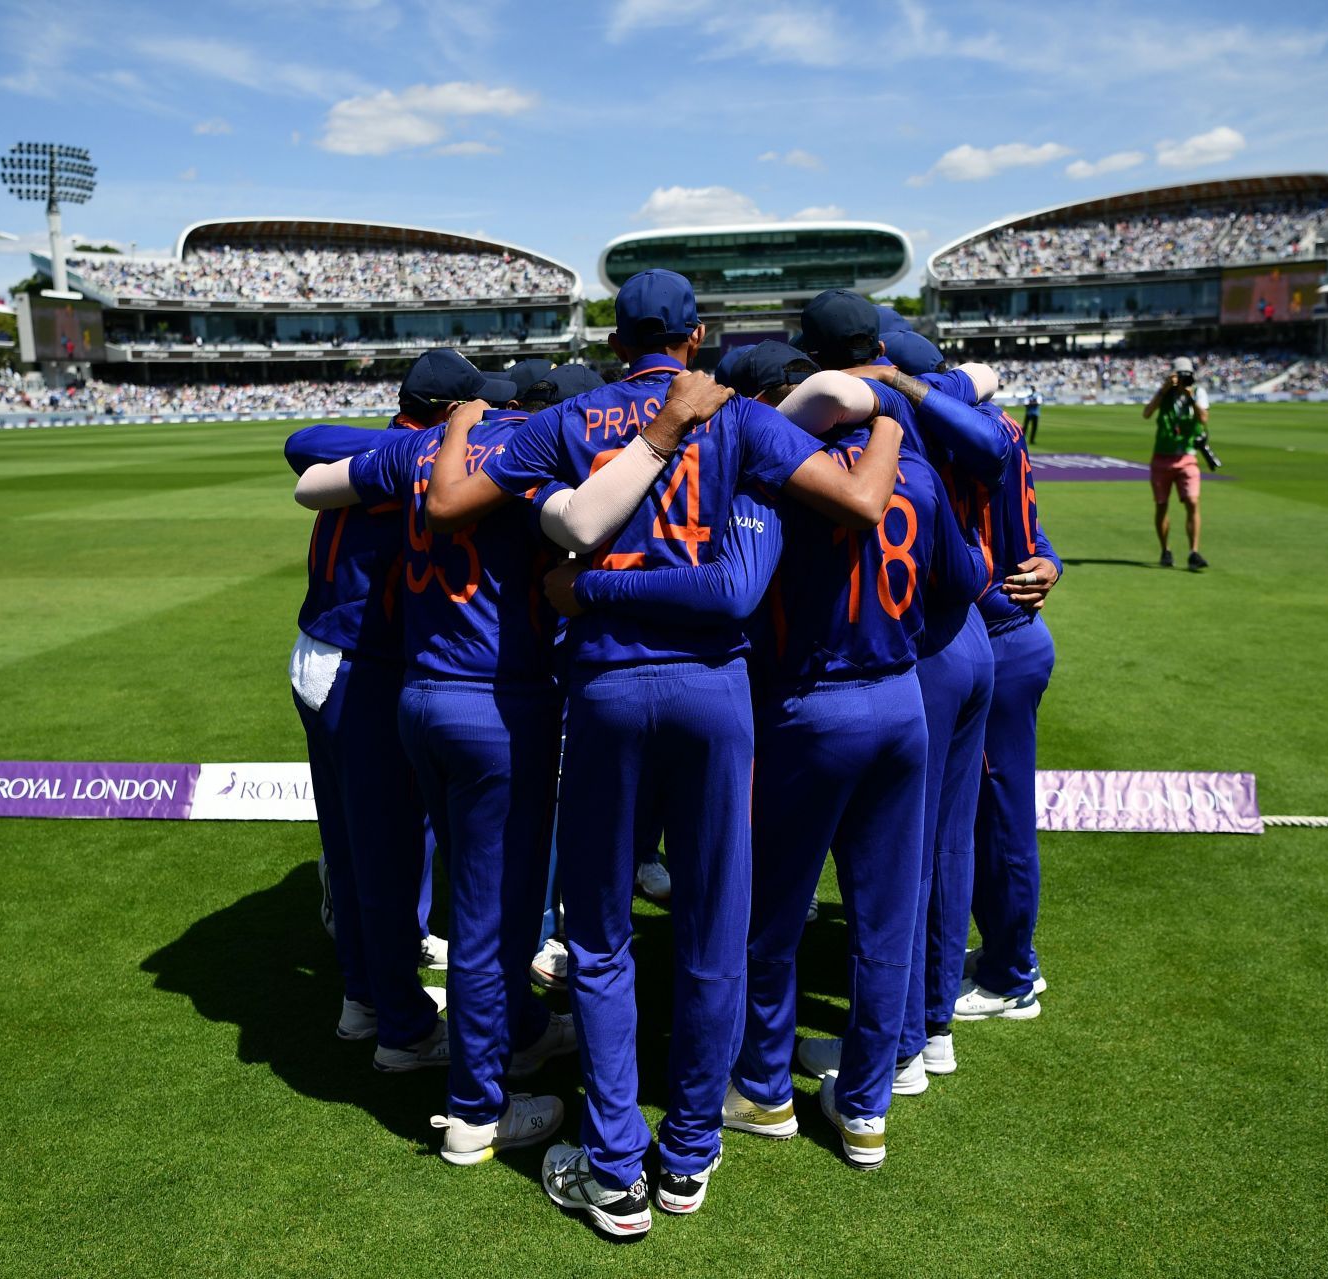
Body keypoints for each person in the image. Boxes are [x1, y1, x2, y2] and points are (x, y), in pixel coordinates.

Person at [423, 269, 903, 1238]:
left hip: (601, 687)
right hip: (715, 692)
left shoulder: (575, 420)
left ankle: (613, 1169)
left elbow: (453, 503)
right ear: (698, 335)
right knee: (712, 928)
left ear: (616, 337)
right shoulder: (738, 417)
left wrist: (478, 439)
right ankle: (687, 1156)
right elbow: (856, 504)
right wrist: (889, 409)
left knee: (597, 937)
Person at [721, 290, 980, 1171]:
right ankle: (866, 1106)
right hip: (901, 700)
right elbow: (965, 579)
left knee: (777, 911)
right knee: (885, 914)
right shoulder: (906, 459)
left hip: (810, 704)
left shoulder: (780, 465)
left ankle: (761, 1088)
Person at [292, 373, 580, 1166]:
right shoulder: (518, 455)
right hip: (467, 692)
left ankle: (378, 1006)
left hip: (402, 683)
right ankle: (469, 1096)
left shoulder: (417, 453)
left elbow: (306, 458)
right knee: (481, 908)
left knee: (370, 853)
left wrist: (439, 437)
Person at [280, 349, 515, 1074]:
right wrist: (435, 442)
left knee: (352, 849)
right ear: (448, 414)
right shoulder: (424, 458)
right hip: (362, 667)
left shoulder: (388, 449)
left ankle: (363, 1000)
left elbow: (309, 444)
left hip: (323, 654)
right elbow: (303, 443)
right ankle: (404, 1030)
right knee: (384, 858)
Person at [852, 338, 1062, 1025]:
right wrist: (1050, 561)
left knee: (994, 819)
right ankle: (995, 957)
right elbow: (1030, 531)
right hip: (1002, 631)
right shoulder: (993, 419)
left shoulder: (949, 426)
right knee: (973, 819)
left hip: (995, 633)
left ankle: (1010, 973)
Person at [1144, 355, 1209, 569]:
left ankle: (1194, 552)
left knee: (1192, 501)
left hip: (1187, 456)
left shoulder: (1198, 393)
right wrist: (1164, 389)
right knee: (1161, 505)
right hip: (1162, 456)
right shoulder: (1165, 394)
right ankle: (1165, 550)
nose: (1182, 379)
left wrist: (1190, 397)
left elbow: (1204, 419)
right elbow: (1147, 413)